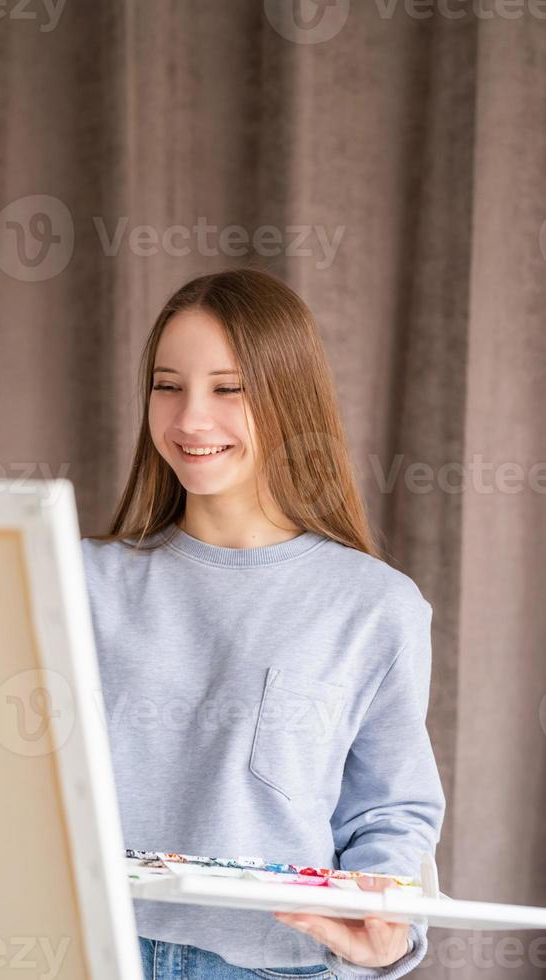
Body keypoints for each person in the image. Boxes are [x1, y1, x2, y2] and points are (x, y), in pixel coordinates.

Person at [81, 266, 446, 979]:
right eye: (167, 385)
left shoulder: (375, 606)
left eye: (228, 389)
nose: (190, 419)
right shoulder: (80, 579)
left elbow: (390, 813)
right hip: (83, 953)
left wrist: (389, 930)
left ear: (288, 397)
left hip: (266, 967)